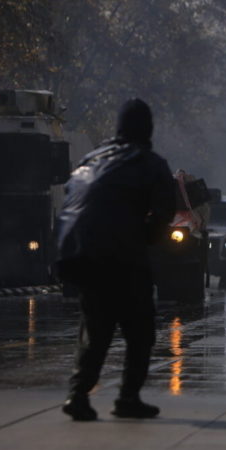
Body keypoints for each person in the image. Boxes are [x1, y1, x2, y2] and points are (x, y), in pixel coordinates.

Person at [56, 99, 175, 421]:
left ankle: (77, 395)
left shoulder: (91, 159)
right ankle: (128, 398)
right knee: (140, 331)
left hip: (82, 258)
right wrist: (145, 238)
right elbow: (166, 211)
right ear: (147, 128)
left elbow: (71, 200)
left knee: (95, 330)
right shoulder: (150, 163)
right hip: (123, 261)